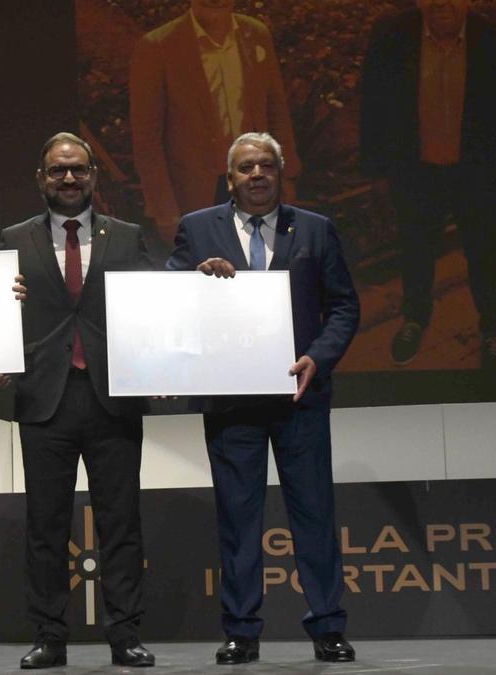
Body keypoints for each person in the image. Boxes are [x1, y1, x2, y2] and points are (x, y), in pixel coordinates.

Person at [167, 132, 359, 664]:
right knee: (237, 519)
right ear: (230, 179)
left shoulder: (316, 229)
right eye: (246, 167)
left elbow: (343, 306)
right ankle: (241, 631)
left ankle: (328, 626)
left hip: (300, 397)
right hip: (231, 403)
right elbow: (168, 296)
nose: (257, 175)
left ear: (280, 172)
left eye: (266, 166)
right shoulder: (197, 228)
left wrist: (317, 357)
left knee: (314, 514)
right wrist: (195, 278)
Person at [0, 132, 155, 669]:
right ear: (41, 178)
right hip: (44, 400)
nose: (69, 179)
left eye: (79, 170)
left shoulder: (127, 236)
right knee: (46, 526)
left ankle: (125, 637)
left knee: (121, 525)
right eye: (58, 171)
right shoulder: (13, 238)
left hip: (113, 398)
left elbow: (155, 310)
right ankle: (49, 638)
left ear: (93, 177)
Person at [360, 0, 496, 369]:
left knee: (484, 254)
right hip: (417, 172)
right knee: (416, 251)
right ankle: (415, 319)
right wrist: (376, 171)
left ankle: (493, 330)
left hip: (475, 175)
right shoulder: (392, 36)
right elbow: (373, 105)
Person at [130, 0, 301, 244]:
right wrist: (164, 210)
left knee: (258, 273)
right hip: (192, 193)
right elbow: (147, 139)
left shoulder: (256, 35)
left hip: (253, 181)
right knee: (206, 277)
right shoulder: (157, 47)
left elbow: (276, 110)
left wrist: (287, 175)